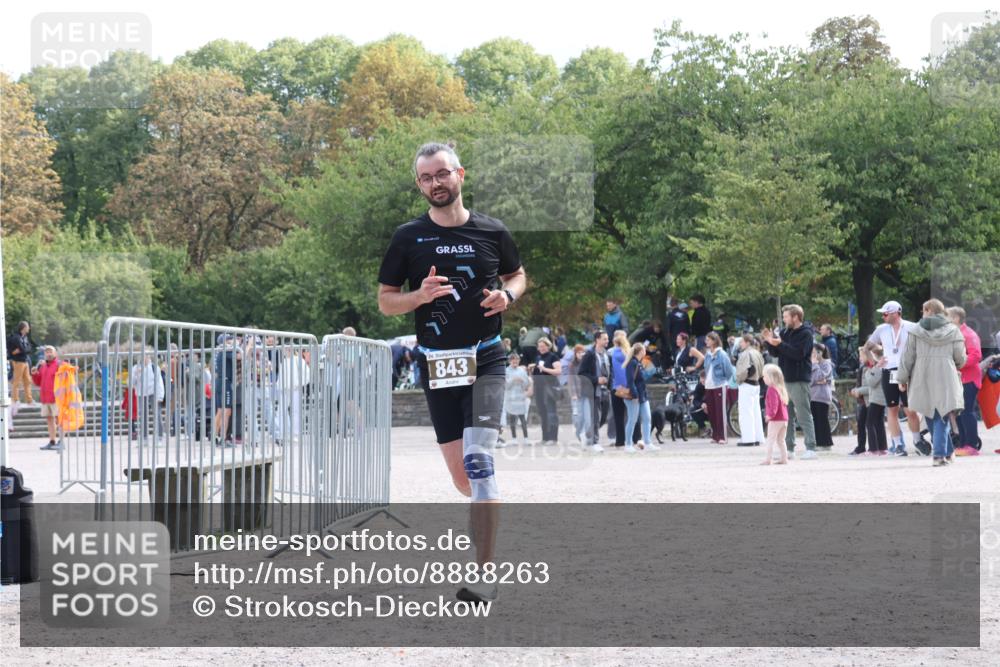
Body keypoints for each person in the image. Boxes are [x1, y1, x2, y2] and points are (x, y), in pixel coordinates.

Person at [377, 141, 526, 604]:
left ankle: (484, 573)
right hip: (437, 364)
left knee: (481, 465)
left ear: (460, 173)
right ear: (419, 185)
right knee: (463, 479)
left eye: (442, 174)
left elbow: (517, 275)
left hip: (486, 358)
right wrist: (418, 297)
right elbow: (385, 301)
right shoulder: (407, 237)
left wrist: (509, 296)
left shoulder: (492, 231)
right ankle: (484, 505)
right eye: (426, 178)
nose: (435, 183)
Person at [897, 299, 966, 467]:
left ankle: (943, 453)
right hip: (945, 375)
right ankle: (941, 454)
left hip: (922, 375)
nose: (922, 313)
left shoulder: (915, 331)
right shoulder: (953, 331)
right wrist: (953, 364)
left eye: (923, 310)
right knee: (941, 414)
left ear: (929, 310)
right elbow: (961, 358)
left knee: (930, 413)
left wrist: (902, 378)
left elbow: (907, 357)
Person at [865, 300, 927, 457]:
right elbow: (868, 346)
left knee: (910, 409)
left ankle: (917, 441)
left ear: (896, 313)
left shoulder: (912, 327)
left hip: (907, 370)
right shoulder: (881, 329)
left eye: (885, 314)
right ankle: (898, 445)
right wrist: (875, 361)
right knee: (892, 408)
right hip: (889, 371)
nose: (883, 316)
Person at [762, 304, 818, 459]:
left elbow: (798, 354)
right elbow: (777, 352)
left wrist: (780, 344)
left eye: (786, 316)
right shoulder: (785, 332)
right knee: (787, 416)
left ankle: (811, 448)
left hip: (799, 379)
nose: (784, 320)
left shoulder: (806, 334)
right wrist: (769, 341)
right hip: (784, 380)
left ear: (796, 317)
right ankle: (789, 450)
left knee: (803, 414)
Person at [947, 307, 983, 455]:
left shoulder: (968, 334)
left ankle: (971, 445)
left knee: (967, 411)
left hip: (969, 379)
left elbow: (976, 356)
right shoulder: (955, 334)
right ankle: (963, 443)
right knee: (959, 412)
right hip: (959, 379)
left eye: (947, 317)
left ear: (956, 318)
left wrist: (957, 364)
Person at [622, 341, 659, 453]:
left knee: (647, 418)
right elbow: (630, 381)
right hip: (634, 396)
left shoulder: (639, 363)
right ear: (641, 351)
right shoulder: (632, 363)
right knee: (632, 420)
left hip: (642, 395)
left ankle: (648, 442)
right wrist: (635, 395)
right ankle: (628, 444)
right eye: (644, 350)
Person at [851, 345, 888, 456]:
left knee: (870, 422)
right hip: (877, 398)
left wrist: (871, 370)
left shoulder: (877, 367)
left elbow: (871, 382)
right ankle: (882, 448)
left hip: (876, 399)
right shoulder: (877, 367)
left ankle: (874, 449)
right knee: (878, 423)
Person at [577, 330, 610, 452]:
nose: (607, 341)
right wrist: (596, 380)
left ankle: (586, 434)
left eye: (607, 339)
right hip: (593, 391)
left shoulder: (606, 354)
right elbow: (581, 373)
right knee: (596, 417)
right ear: (597, 340)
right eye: (604, 339)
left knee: (603, 417)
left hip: (606, 391)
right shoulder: (589, 354)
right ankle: (594, 442)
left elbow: (609, 372)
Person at [702, 332, 736, 444]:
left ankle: (723, 436)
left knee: (720, 411)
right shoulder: (707, 354)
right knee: (711, 411)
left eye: (708, 340)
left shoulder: (722, 354)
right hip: (709, 386)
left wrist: (722, 380)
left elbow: (729, 371)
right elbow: (706, 369)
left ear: (714, 341)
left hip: (720, 385)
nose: (706, 342)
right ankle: (715, 435)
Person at [735, 334, 765, 447]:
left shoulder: (746, 354)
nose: (740, 344)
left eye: (742, 341)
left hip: (747, 384)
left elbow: (743, 371)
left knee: (745, 413)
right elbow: (762, 369)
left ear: (747, 342)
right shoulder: (757, 353)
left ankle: (748, 439)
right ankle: (758, 437)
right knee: (756, 412)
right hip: (756, 384)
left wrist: (739, 379)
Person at [130, 351, 166, 443]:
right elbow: (130, 383)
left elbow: (159, 382)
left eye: (146, 356)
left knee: (156, 414)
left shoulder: (154, 367)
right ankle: (144, 437)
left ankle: (160, 436)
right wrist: (136, 374)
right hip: (141, 394)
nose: (144, 358)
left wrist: (160, 396)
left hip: (153, 393)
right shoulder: (136, 368)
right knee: (143, 416)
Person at [32, 346, 63, 450]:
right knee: (50, 420)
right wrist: (35, 374)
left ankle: (61, 441)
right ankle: (52, 441)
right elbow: (38, 383)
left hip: (56, 398)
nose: (48, 354)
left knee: (59, 420)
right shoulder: (43, 366)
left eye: (50, 351)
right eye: (46, 352)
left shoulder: (60, 365)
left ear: (55, 353)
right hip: (45, 398)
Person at [761, 364, 789, 465]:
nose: (763, 378)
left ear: (771, 377)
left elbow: (774, 405)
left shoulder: (771, 389)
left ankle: (768, 459)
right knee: (781, 440)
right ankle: (784, 458)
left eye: (765, 376)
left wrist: (769, 415)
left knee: (770, 440)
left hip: (776, 419)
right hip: (784, 419)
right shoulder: (780, 388)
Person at [809, 344, 836, 448]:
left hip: (822, 396)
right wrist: (818, 380)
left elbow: (820, 376)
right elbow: (811, 380)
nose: (812, 354)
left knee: (822, 420)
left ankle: (826, 443)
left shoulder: (826, 364)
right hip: (813, 396)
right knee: (815, 420)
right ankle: (818, 443)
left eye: (814, 352)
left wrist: (815, 365)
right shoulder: (811, 364)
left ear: (820, 353)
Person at [566, 344, 593, 446]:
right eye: (579, 352)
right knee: (578, 419)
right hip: (576, 395)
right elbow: (571, 380)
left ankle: (588, 438)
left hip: (587, 394)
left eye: (583, 352)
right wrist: (573, 394)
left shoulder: (589, 364)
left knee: (588, 418)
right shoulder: (572, 365)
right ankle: (578, 434)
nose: (581, 354)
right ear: (575, 354)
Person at [503, 353, 531, 446]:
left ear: (519, 361)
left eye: (517, 359)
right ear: (510, 361)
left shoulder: (522, 371)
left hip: (520, 397)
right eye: (513, 359)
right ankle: (514, 439)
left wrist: (523, 381)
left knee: (523, 418)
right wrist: (513, 380)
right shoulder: (506, 371)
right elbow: (505, 386)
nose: (515, 361)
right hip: (510, 398)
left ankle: (526, 438)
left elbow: (527, 384)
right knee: (512, 419)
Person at [609, 330, 631, 447]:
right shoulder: (629, 352)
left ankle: (620, 440)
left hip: (616, 387)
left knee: (618, 415)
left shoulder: (611, 353)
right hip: (628, 386)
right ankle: (635, 438)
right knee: (632, 414)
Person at [7, 321, 34, 406]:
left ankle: (29, 401)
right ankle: (15, 400)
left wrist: (21, 349)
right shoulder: (16, 337)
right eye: (27, 327)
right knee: (17, 381)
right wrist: (23, 349)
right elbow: (23, 348)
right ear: (23, 328)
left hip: (25, 361)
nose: (29, 328)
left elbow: (29, 347)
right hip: (18, 361)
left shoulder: (24, 337)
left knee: (27, 381)